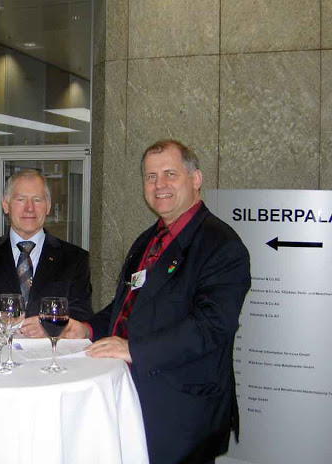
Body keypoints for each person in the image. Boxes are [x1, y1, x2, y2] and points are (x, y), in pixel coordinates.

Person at [65, 140, 251, 464]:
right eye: (150, 177)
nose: (159, 184)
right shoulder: (148, 240)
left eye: (169, 174)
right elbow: (127, 304)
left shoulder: (221, 245)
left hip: (182, 408)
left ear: (195, 179)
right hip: (136, 395)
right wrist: (87, 329)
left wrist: (133, 349)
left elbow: (211, 327)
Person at [0, 169, 93, 337]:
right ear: (5, 205)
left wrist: (51, 326)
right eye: (21, 199)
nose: (29, 208)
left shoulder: (74, 259)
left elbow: (83, 317)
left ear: (48, 206)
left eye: (37, 200)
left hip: (51, 352)